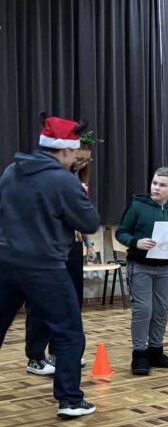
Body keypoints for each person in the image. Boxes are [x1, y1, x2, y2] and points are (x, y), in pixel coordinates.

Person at [0, 115, 101, 417]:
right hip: (44, 267)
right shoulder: (64, 180)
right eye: (75, 154)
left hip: (5, 261)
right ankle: (70, 400)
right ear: (66, 150)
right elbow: (89, 222)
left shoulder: (10, 171)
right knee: (68, 332)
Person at [24, 129, 97, 376]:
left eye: (86, 160)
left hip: (71, 248)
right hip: (45, 248)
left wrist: (90, 245)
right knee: (41, 304)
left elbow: (85, 219)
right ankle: (36, 356)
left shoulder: (76, 181)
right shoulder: (47, 178)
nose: (81, 163)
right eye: (78, 158)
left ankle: (60, 352)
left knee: (71, 300)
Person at [117, 166, 168, 376]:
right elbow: (121, 232)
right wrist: (136, 242)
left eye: (162, 185)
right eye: (154, 183)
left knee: (161, 310)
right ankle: (139, 353)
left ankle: (156, 351)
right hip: (140, 266)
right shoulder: (137, 206)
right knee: (143, 310)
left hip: (166, 268)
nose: (156, 187)